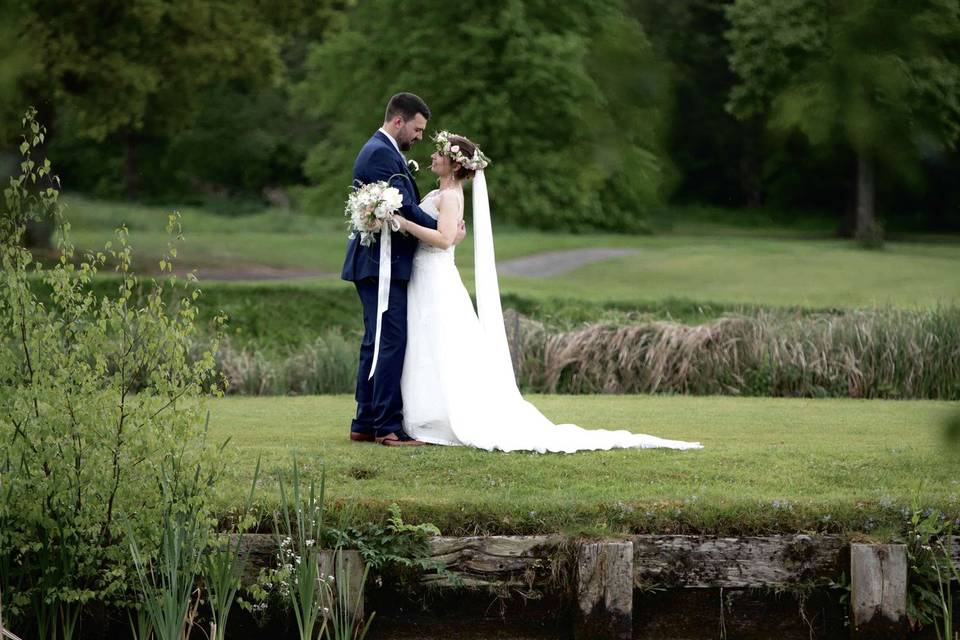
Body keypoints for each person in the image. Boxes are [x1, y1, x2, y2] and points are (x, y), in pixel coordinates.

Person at [394, 132, 702, 453]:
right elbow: (447, 236)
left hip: (435, 276)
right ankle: (424, 412)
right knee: (427, 342)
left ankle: (437, 417)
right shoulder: (440, 192)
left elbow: (443, 240)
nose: (432, 156)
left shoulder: (452, 196)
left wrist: (403, 223)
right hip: (426, 273)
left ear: (454, 165)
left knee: (439, 343)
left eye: (439, 153)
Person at [341, 93, 465, 446]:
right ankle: (387, 427)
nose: (420, 138)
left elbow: (403, 208)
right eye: (418, 129)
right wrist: (445, 228)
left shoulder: (383, 151)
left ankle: (365, 421)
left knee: (376, 342)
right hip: (380, 264)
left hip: (381, 262)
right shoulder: (380, 153)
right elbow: (406, 209)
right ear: (399, 121)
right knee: (389, 342)